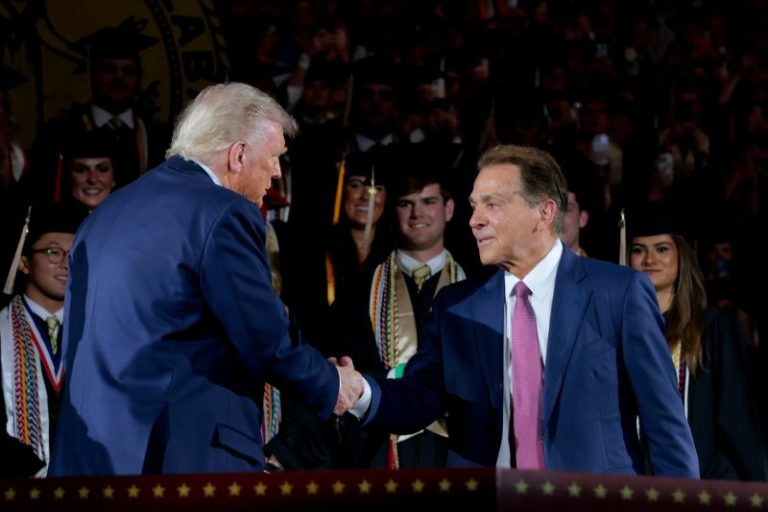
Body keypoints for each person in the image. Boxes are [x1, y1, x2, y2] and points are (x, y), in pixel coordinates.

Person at [48, 82, 363, 476]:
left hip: (91, 461)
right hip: (181, 459)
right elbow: (264, 338)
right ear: (239, 154)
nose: (276, 173)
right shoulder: (223, 212)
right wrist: (334, 384)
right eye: (274, 157)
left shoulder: (106, 214)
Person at [350, 144, 699, 476]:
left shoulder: (618, 293)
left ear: (544, 213)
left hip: (593, 503)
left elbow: (664, 424)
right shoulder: (456, 307)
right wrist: (356, 391)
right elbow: (418, 399)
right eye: (474, 206)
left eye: (492, 204)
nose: (475, 220)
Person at [334, 145, 465, 469]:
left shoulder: (476, 289)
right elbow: (348, 367)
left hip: (455, 447)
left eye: (429, 202)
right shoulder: (359, 289)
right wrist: (404, 378)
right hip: (379, 449)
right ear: (393, 211)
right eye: (406, 204)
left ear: (449, 209)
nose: (417, 214)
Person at [628, 205, 767, 481]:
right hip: (635, 482)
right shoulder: (620, 330)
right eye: (639, 250)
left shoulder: (714, 329)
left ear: (682, 255)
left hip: (704, 484)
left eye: (662, 249)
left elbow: (736, 415)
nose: (649, 259)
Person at [25, 25, 171, 203]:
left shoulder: (158, 138)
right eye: (109, 69)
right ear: (92, 75)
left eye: (128, 71)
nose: (119, 77)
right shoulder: (59, 134)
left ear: (139, 78)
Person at [0, 203, 82, 477]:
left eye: (74, 254)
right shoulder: (0, 329)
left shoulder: (97, 333)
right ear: (24, 263)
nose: (65, 263)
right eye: (53, 252)